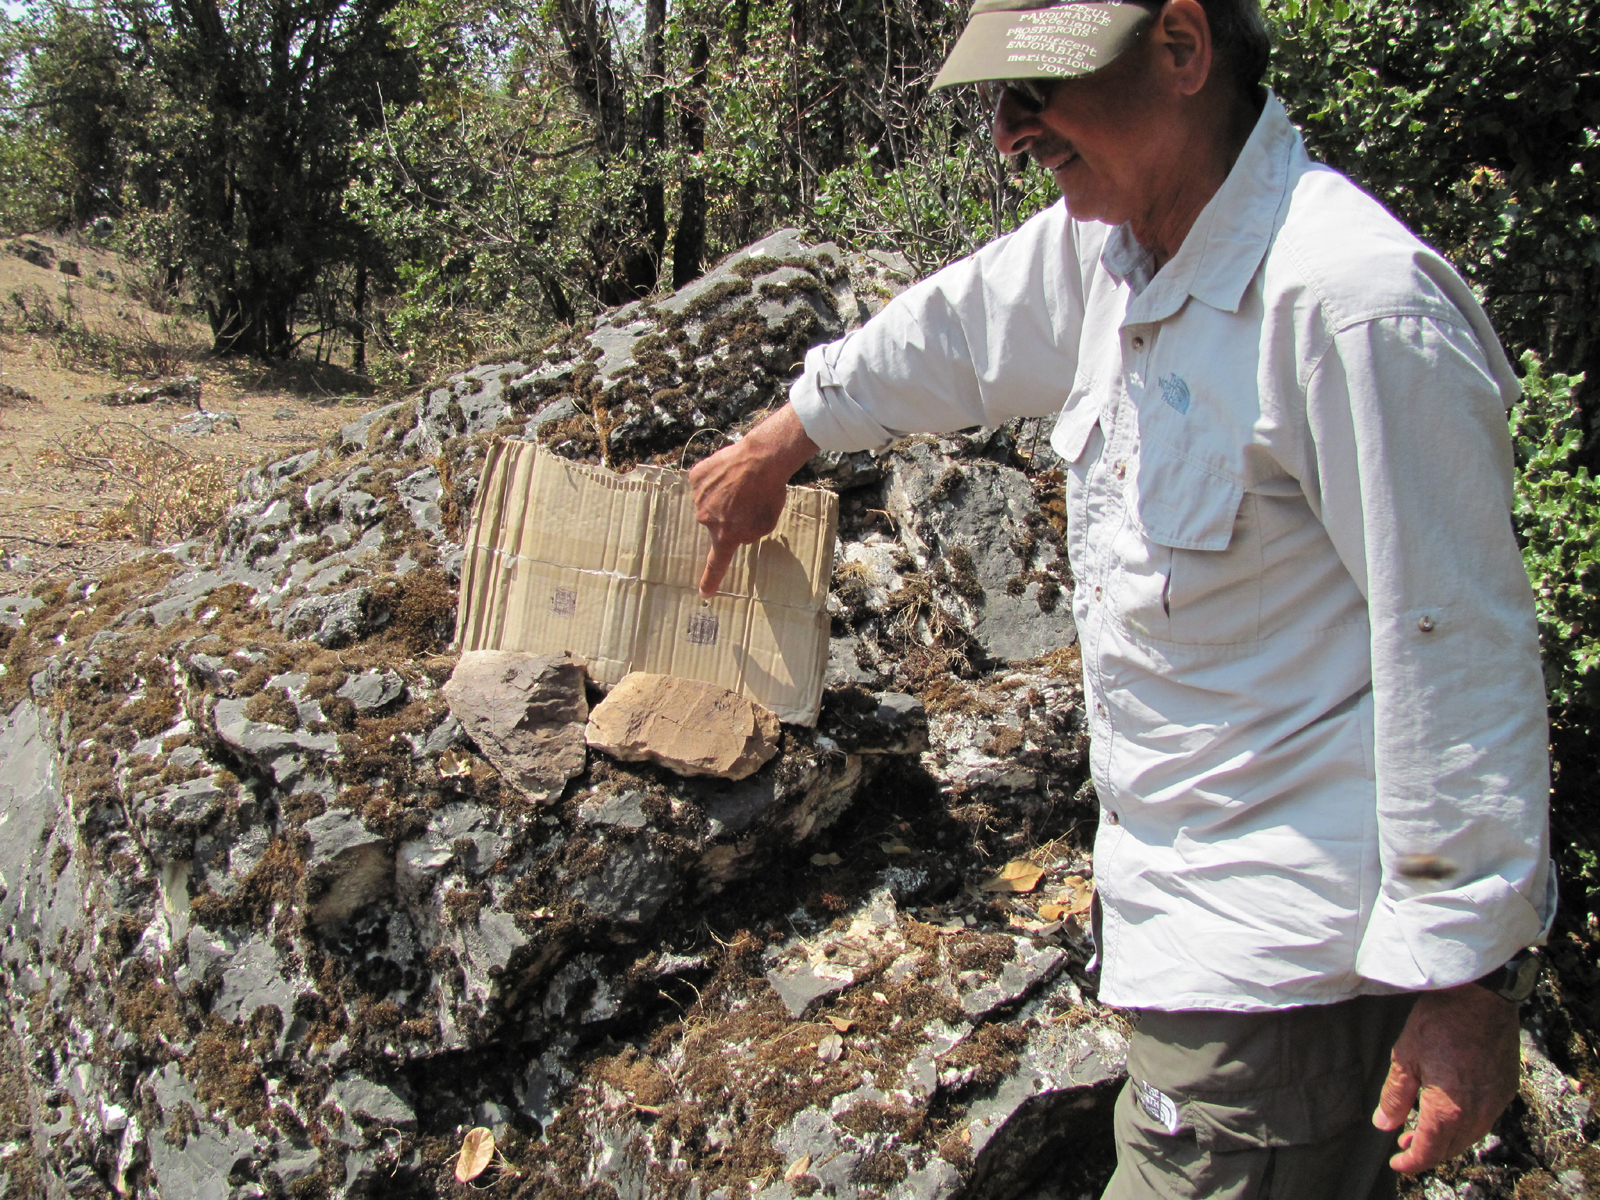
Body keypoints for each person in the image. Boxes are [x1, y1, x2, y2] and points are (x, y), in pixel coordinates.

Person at [688, 0, 1555, 1195]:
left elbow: (1455, 642)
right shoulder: (1118, 250)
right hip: (1186, 941)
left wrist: (1463, 978)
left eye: (1036, 91)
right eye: (997, 97)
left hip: (1281, 986)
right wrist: (781, 439)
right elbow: (956, 332)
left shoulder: (1347, 302)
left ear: (1183, 49)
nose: (1006, 133)